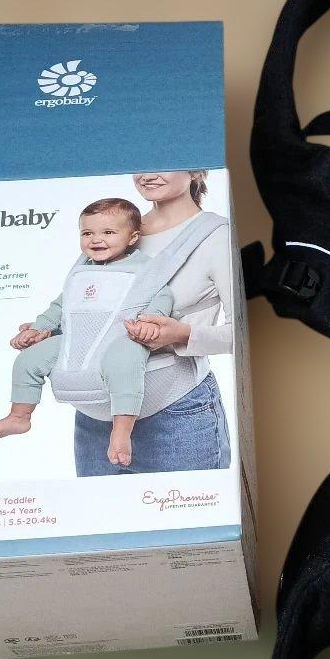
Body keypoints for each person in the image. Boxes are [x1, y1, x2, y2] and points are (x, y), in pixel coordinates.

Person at [0, 198, 172, 466]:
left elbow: (162, 295)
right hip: (77, 338)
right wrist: (40, 328)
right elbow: (61, 305)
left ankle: (121, 431)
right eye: (87, 233)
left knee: (126, 365)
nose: (96, 239)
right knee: (28, 360)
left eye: (108, 232)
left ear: (132, 238)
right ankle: (20, 416)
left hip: (122, 337)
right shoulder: (81, 271)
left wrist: (150, 322)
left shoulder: (144, 268)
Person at [74, 170, 233, 476]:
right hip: (97, 415)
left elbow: (247, 333)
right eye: (143, 163)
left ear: (196, 169)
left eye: (165, 162)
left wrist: (183, 334)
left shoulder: (216, 237)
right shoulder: (113, 228)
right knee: (102, 508)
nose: (148, 175)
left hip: (176, 414)